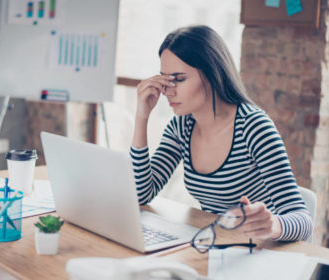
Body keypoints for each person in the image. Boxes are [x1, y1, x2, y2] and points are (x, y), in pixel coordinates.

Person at [130, 25, 312, 241]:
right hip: (216, 244)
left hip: (261, 248)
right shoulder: (181, 127)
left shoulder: (253, 127)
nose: (168, 90)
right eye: (164, 79)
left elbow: (303, 220)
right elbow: (141, 194)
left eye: (179, 79)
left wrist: (274, 224)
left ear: (212, 74)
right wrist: (142, 116)